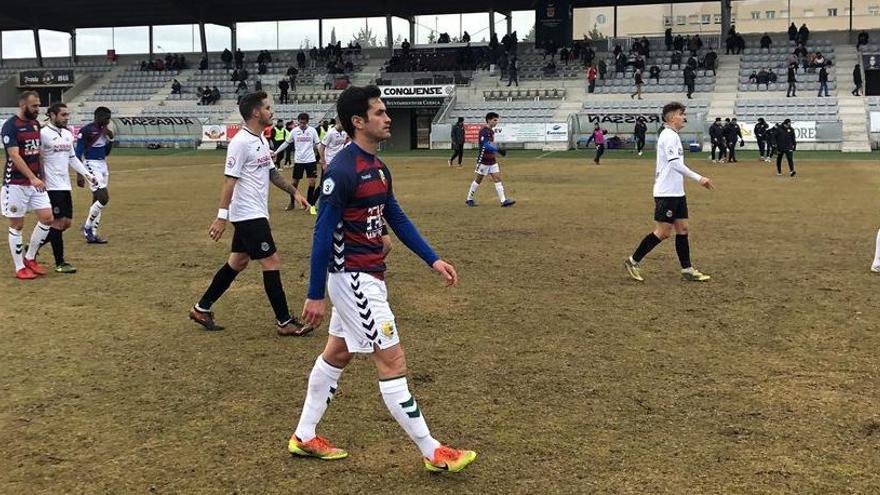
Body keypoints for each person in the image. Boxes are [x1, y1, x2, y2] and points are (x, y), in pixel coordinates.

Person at [292, 84, 476, 473]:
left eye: (385, 111)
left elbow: (396, 217)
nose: (387, 117)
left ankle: (304, 434)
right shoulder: (341, 171)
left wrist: (433, 259)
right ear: (358, 122)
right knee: (392, 360)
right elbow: (322, 233)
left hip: (366, 275)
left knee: (338, 353)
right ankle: (433, 451)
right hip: (354, 279)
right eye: (378, 112)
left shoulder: (377, 167)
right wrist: (314, 294)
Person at [188, 91, 311, 335]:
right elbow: (229, 182)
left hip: (255, 212)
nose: (271, 111)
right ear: (256, 112)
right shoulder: (240, 142)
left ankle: (201, 308)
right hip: (247, 214)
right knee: (271, 261)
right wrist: (221, 216)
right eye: (267, 107)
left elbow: (272, 173)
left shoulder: (261, 140)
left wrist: (294, 192)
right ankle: (284, 322)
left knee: (238, 261)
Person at [624, 102, 714, 283]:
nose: (684, 118)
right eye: (682, 114)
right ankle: (633, 261)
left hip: (677, 192)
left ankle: (687, 269)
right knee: (663, 232)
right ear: (672, 117)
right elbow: (674, 163)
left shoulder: (672, 135)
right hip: (666, 193)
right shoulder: (668, 136)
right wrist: (699, 178)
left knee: (683, 229)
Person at [1, 91, 55, 279]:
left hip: (35, 181)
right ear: (23, 105)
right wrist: (32, 177)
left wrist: (41, 175)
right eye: (34, 106)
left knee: (48, 218)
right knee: (17, 224)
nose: (37, 109)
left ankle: (30, 258)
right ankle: (19, 267)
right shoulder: (10, 126)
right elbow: (14, 155)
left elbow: (37, 152)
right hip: (15, 183)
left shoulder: (35, 124)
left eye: (38, 105)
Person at [39, 103, 98, 273]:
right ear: (52, 115)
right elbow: (39, 157)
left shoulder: (67, 134)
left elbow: (72, 158)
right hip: (51, 185)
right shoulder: (43, 134)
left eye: (67, 115)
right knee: (57, 223)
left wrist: (88, 175)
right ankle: (60, 262)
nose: (67, 118)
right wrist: (40, 178)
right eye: (63, 115)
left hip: (65, 184)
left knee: (66, 223)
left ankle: (33, 247)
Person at [76, 107, 114, 244]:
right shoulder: (87, 130)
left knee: (97, 200)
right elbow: (78, 152)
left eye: (109, 118)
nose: (108, 121)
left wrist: (111, 138)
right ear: (98, 117)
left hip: (103, 165)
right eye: (106, 118)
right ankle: (87, 228)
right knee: (104, 198)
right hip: (91, 165)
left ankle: (93, 233)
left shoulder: (105, 132)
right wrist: (80, 174)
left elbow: (107, 152)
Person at [273, 113, 321, 214]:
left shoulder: (312, 131)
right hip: (299, 161)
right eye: (300, 122)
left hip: (310, 160)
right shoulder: (294, 131)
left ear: (307, 122)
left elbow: (318, 144)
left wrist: (323, 157)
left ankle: (310, 205)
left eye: (304, 123)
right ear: (298, 121)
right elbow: (286, 142)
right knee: (294, 183)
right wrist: (276, 152)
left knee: (312, 182)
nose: (302, 124)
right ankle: (292, 203)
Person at [465, 112, 515, 207]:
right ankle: (469, 199)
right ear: (489, 120)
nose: (496, 122)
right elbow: (486, 145)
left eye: (497, 120)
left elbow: (490, 144)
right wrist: (498, 150)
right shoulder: (484, 131)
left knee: (497, 178)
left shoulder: (491, 131)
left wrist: (496, 151)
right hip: (483, 160)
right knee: (478, 180)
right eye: (494, 120)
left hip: (491, 160)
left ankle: (503, 201)